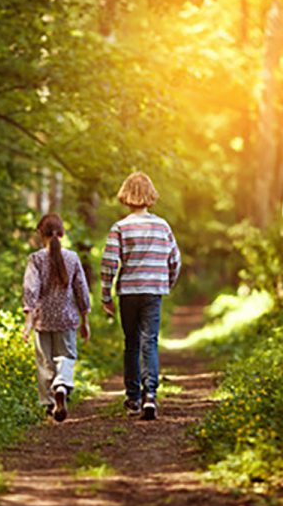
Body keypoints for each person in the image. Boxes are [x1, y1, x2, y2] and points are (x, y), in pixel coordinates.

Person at [100, 172, 181, 420]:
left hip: (129, 293)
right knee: (150, 342)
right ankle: (151, 396)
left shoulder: (120, 227)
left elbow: (109, 262)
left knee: (132, 344)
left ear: (126, 196)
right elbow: (175, 260)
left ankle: (133, 397)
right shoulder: (163, 226)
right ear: (150, 196)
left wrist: (105, 295)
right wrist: (166, 283)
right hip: (153, 292)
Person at [23, 213, 91, 422]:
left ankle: (49, 404)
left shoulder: (35, 259)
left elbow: (31, 290)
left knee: (45, 362)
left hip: (43, 319)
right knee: (66, 357)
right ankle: (61, 384)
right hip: (67, 318)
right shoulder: (72, 258)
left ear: (39, 233)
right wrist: (85, 319)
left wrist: (28, 322)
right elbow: (82, 289)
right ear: (62, 233)